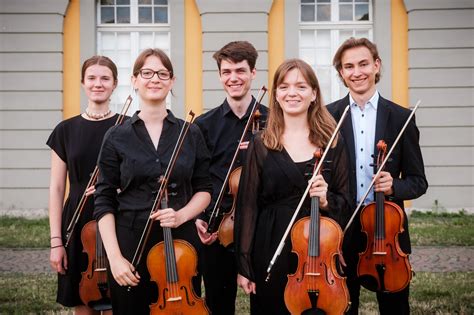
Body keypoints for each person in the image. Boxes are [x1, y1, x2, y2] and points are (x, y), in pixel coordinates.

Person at [93, 48, 212, 315]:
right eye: (146, 73)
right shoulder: (116, 136)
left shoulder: (190, 133)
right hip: (130, 240)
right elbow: (104, 199)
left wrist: (181, 215)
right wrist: (115, 258)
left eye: (162, 73)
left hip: (182, 246)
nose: (154, 79)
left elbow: (205, 189)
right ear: (134, 80)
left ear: (171, 82)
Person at [235, 58, 351, 314]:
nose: (292, 93)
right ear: (276, 94)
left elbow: (346, 201)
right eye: (284, 86)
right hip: (270, 244)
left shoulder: (332, 141)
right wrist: (244, 264)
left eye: (300, 86)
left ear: (313, 94)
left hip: (317, 251)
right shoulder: (261, 142)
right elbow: (248, 205)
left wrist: (325, 200)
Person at [327, 37, 428, 314]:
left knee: (394, 307)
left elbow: (419, 182)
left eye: (363, 64)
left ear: (376, 65)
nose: (356, 72)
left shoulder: (400, 117)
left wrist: (394, 185)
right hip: (343, 229)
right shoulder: (327, 117)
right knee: (344, 307)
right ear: (341, 73)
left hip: (387, 231)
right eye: (349, 66)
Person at [194, 40, 268, 315]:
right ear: (220, 76)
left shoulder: (274, 121)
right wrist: (200, 217)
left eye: (240, 70)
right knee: (218, 304)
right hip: (218, 229)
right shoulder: (203, 125)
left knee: (265, 304)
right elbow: (197, 179)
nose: (233, 78)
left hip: (263, 228)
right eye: (226, 72)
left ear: (253, 73)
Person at [47, 55, 119, 314]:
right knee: (82, 301)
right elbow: (56, 189)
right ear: (82, 83)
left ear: (115, 84)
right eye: (91, 78)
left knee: (118, 301)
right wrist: (57, 242)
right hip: (77, 220)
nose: (97, 84)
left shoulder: (127, 126)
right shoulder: (65, 130)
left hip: (118, 217)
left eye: (104, 78)